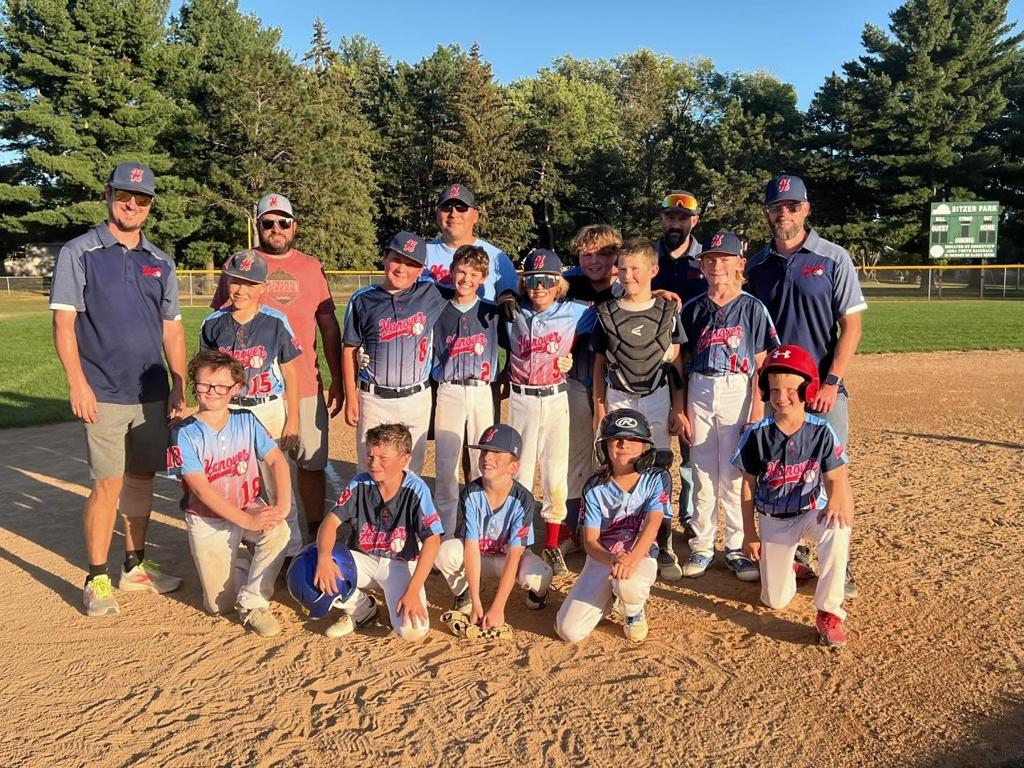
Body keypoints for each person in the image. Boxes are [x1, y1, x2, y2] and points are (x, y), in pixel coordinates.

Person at [50, 161, 185, 617]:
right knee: (106, 484)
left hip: (151, 393)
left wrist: (179, 382)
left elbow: (172, 328)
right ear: (108, 194)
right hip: (103, 391)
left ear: (150, 205)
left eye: (142, 198)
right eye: (124, 195)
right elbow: (64, 324)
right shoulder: (80, 252)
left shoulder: (160, 261)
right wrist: (78, 384)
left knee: (141, 478)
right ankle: (96, 578)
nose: (132, 204)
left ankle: (135, 565)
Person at [745, 175, 867, 598]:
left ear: (806, 209)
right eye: (777, 207)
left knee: (833, 473)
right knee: (780, 471)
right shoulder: (757, 265)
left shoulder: (833, 257)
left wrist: (832, 382)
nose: (785, 213)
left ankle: (839, 565)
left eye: (792, 206)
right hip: (776, 391)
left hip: (821, 389)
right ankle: (793, 551)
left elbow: (852, 326)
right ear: (767, 212)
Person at [211, 193, 342, 540]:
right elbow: (220, 324)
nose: (276, 228)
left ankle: (311, 536)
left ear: (294, 226)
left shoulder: (311, 266)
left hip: (305, 383)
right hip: (251, 391)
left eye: (283, 222)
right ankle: (267, 538)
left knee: (311, 463)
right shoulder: (240, 264)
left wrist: (338, 379)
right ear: (258, 226)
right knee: (257, 470)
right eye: (268, 223)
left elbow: (329, 326)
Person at [732, 345, 853, 648]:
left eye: (790, 389)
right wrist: (749, 533)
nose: (781, 396)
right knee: (775, 600)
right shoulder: (757, 434)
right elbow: (747, 486)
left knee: (837, 526)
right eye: (774, 389)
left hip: (810, 510)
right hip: (773, 519)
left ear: (808, 389)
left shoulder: (821, 431)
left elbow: (836, 475)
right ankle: (790, 566)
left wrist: (835, 501)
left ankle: (829, 611)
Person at [167, 350, 292, 637]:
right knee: (218, 606)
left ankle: (253, 602)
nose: (212, 391)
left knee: (279, 529)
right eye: (204, 384)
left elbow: (276, 460)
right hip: (208, 518)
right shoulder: (183, 432)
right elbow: (200, 489)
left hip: (247, 504)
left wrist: (282, 506)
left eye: (222, 386)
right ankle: (240, 566)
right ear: (194, 385)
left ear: (236, 389)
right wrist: (247, 522)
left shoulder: (246, 420)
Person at [679, 232, 777, 580]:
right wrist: (680, 408)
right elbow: (680, 362)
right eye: (710, 259)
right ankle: (703, 545)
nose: (716, 265)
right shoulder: (693, 308)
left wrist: (757, 410)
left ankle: (736, 547)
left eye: (724, 259)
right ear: (701, 265)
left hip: (739, 388)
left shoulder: (752, 307)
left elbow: (763, 364)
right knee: (702, 472)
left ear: (740, 264)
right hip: (700, 387)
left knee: (735, 474)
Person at [591, 237, 689, 582]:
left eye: (636, 268)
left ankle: (663, 542)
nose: (628, 275)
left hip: (656, 395)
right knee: (618, 465)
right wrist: (599, 408)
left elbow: (676, 363)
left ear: (653, 270)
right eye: (623, 268)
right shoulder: (606, 312)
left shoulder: (668, 311)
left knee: (656, 467)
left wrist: (678, 408)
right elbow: (599, 363)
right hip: (619, 395)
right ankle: (618, 536)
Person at [200, 249, 303, 556]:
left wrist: (293, 419)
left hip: (267, 408)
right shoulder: (213, 323)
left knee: (278, 483)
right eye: (235, 281)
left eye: (250, 283)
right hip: (229, 411)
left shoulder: (275, 321)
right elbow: (206, 374)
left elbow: (291, 372)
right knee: (235, 482)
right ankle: (244, 547)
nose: (240, 289)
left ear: (263, 288)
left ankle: (291, 550)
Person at [313, 423, 443, 641]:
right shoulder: (360, 483)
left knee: (412, 630)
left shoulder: (416, 489)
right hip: (362, 559)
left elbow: (433, 540)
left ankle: (394, 597)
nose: (373, 464)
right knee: (309, 567)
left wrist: (413, 590)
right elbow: (330, 522)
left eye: (383, 458)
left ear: (404, 459)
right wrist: (324, 556)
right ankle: (361, 608)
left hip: (399, 564)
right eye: (370, 456)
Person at [555, 409, 671, 644]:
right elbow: (590, 542)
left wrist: (631, 559)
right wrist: (613, 559)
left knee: (628, 584)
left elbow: (653, 524)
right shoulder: (594, 487)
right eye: (616, 439)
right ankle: (610, 598)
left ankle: (633, 611)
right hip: (603, 557)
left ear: (645, 446)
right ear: (604, 446)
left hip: (641, 554)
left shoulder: (656, 479)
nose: (624, 444)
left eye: (633, 439)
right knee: (568, 631)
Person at [504, 249, 587, 578]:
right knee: (520, 472)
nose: (539, 287)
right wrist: (503, 294)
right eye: (532, 280)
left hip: (555, 398)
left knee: (555, 472)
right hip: (521, 399)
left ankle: (552, 543)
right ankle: (519, 542)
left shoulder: (575, 311)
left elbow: (616, 305)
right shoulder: (512, 312)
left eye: (547, 281)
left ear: (559, 284)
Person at [342, 232, 449, 473]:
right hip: (374, 399)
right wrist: (351, 397)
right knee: (370, 467)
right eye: (397, 259)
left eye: (411, 264)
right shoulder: (362, 299)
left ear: (421, 270)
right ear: (384, 258)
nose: (402, 269)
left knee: (411, 468)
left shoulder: (431, 294)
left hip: (416, 398)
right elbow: (349, 348)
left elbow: (468, 288)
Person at [435, 424, 553, 628]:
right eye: (484, 451)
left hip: (509, 559)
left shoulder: (523, 499)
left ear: (513, 467)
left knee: (540, 575)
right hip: (479, 556)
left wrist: (498, 608)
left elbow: (514, 556)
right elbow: (471, 547)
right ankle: (464, 593)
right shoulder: (471, 493)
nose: (487, 457)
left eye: (497, 452)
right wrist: (477, 602)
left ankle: (540, 595)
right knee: (446, 551)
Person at [431, 245, 504, 535]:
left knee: (483, 461)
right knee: (446, 465)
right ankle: (446, 533)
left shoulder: (492, 311)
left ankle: (479, 530)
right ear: (451, 271)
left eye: (474, 274)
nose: (466, 279)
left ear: (483, 278)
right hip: (449, 389)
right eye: (461, 271)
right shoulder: (439, 309)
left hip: (481, 391)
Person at [561, 225, 624, 552]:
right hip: (573, 381)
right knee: (575, 455)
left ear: (616, 256)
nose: (594, 260)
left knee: (613, 457)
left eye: (603, 253)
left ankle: (612, 525)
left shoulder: (625, 287)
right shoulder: (567, 284)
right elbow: (529, 288)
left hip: (614, 386)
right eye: (587, 254)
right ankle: (573, 525)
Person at [652, 190, 707, 540]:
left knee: (691, 449)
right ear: (662, 219)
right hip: (652, 367)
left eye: (682, 218)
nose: (676, 223)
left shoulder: (706, 260)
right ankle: (650, 517)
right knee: (650, 448)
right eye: (670, 217)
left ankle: (689, 518)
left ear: (694, 221)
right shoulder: (647, 258)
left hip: (697, 363)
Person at [423, 183, 519, 300]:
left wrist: (507, 298)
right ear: (438, 215)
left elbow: (514, 296)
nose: (453, 214)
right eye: (446, 208)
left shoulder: (497, 258)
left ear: (475, 216)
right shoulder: (421, 254)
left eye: (461, 208)